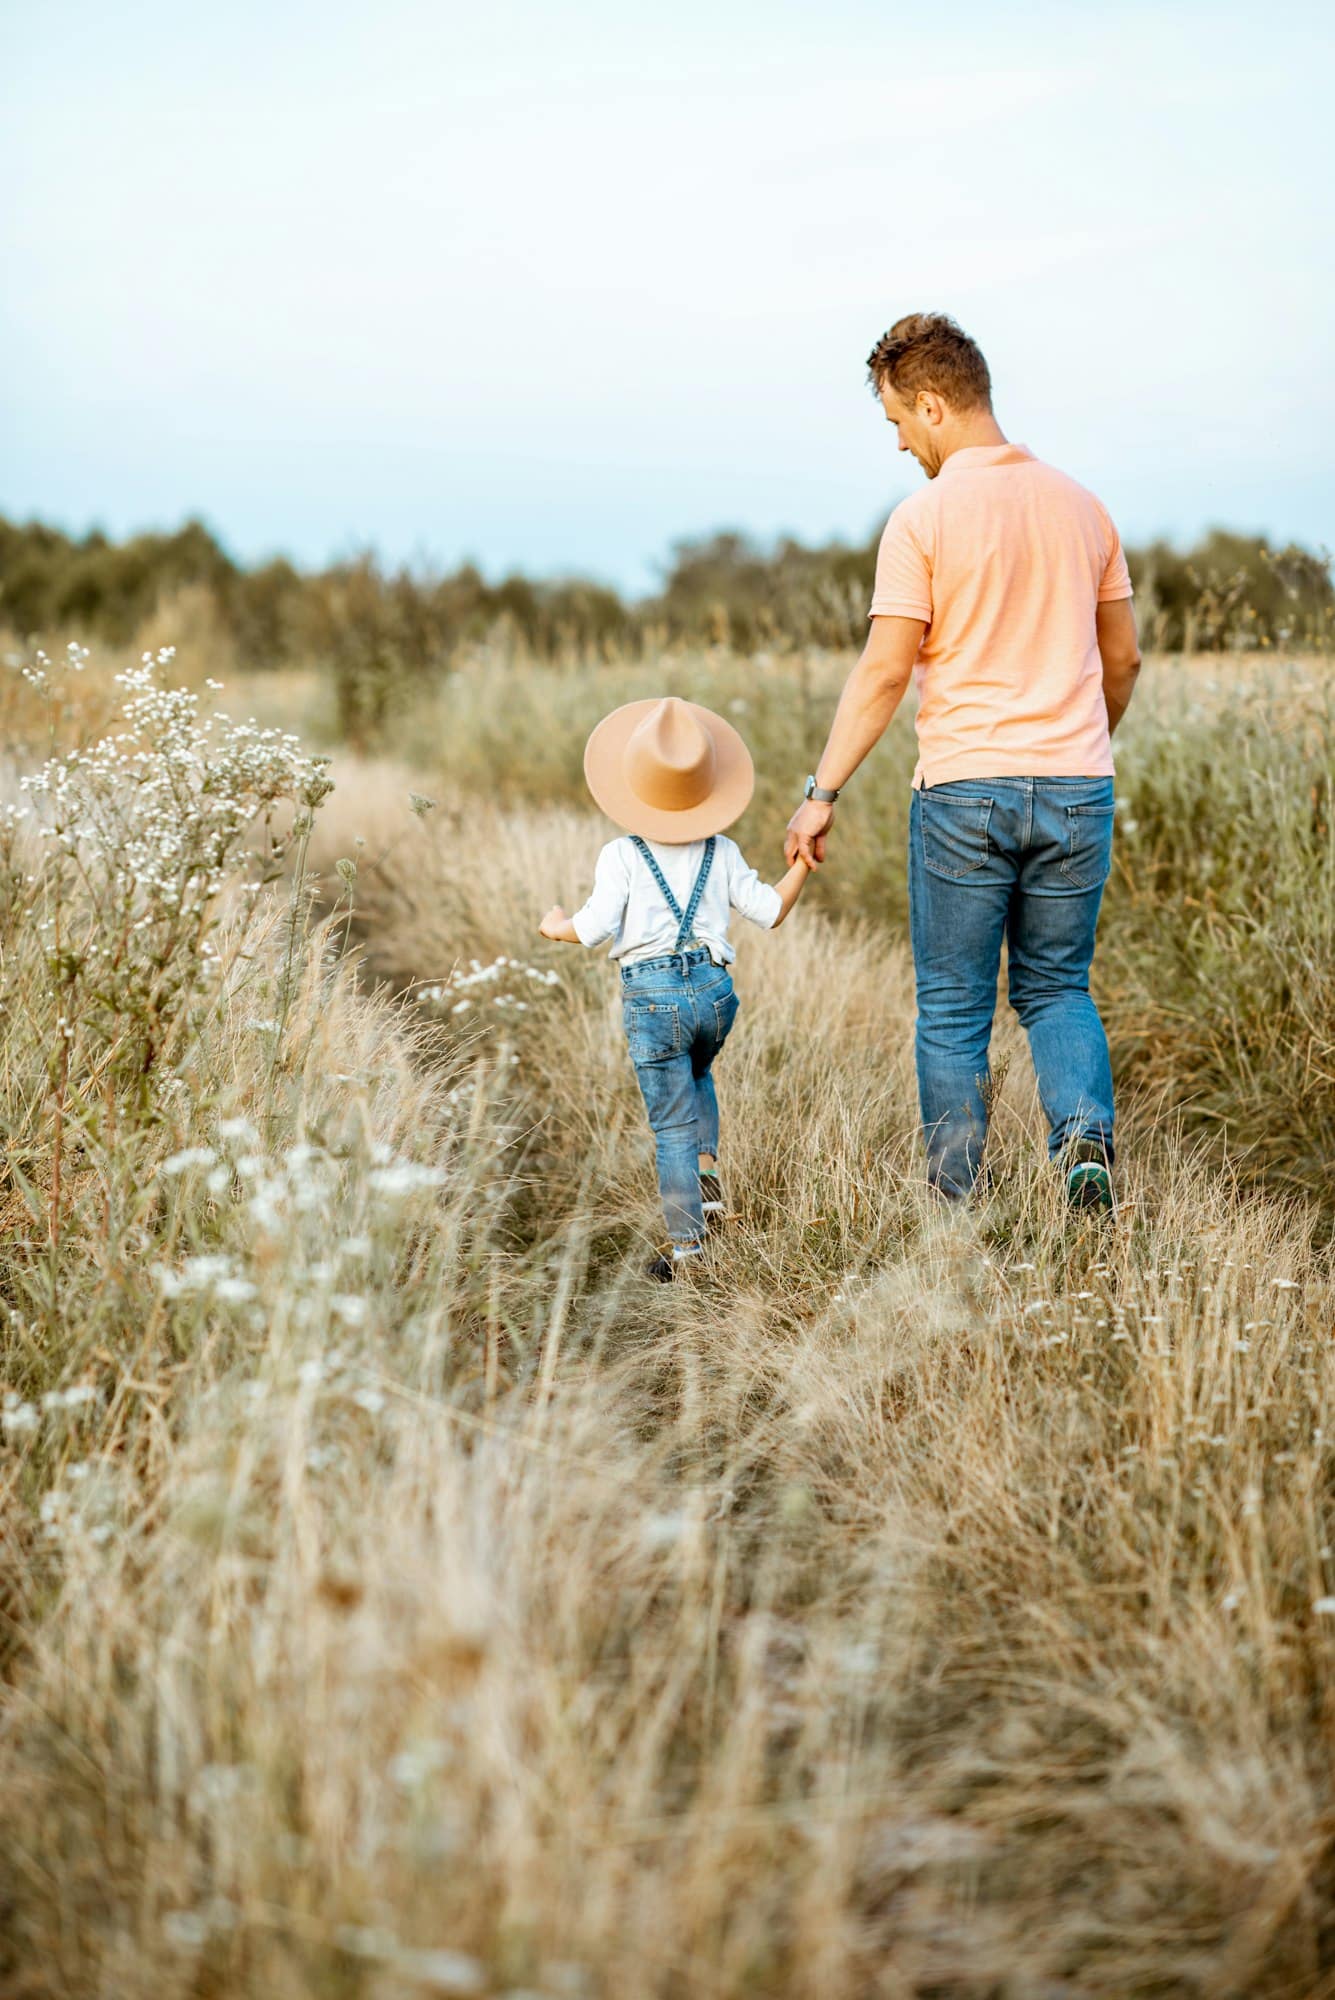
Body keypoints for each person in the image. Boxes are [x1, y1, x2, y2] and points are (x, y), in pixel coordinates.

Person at [786, 312, 1142, 1210]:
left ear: (935, 404)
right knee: (1058, 988)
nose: (900, 443)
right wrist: (1078, 744)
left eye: (898, 422)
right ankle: (1083, 1146)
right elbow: (1124, 659)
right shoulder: (1082, 504)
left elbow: (883, 671)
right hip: (1076, 786)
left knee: (952, 1010)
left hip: (964, 793)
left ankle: (951, 1207)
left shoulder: (923, 518)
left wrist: (820, 792)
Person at [540, 695, 810, 1278]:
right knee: (699, 1071)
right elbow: (770, 911)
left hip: (653, 996)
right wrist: (804, 863)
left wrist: (553, 923)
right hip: (715, 994)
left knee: (669, 1129)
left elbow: (591, 930)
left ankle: (688, 1253)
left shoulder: (622, 854)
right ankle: (706, 1179)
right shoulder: (723, 849)